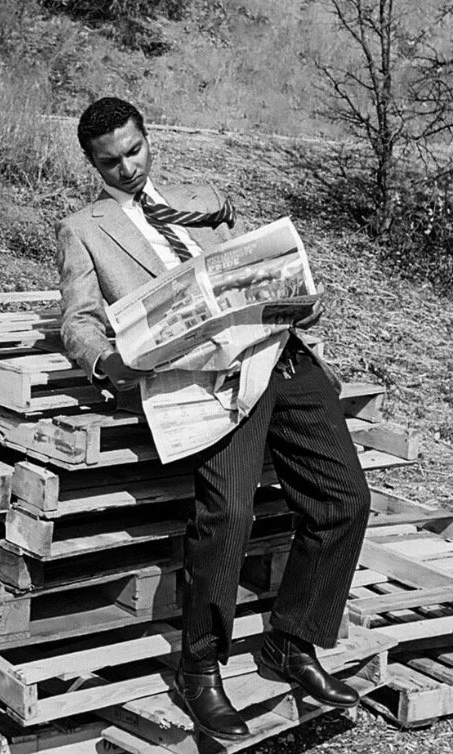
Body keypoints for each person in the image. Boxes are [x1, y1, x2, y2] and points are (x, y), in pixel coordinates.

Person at [56, 97, 371, 741]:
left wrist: (299, 298)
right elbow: (78, 319)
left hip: (279, 356)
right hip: (207, 381)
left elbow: (257, 270)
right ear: (92, 163)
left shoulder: (202, 201)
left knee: (345, 500)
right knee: (225, 515)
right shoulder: (83, 228)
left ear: (150, 139)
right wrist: (106, 362)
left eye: (135, 151)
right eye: (111, 162)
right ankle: (200, 670)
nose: (128, 169)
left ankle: (293, 643)